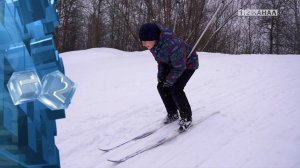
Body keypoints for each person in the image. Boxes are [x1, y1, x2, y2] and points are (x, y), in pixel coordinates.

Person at [139, 22, 199, 131]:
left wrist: (170, 81)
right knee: (161, 86)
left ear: (153, 37)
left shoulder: (173, 46)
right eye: (142, 41)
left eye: (145, 41)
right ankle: (172, 113)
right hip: (173, 64)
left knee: (176, 88)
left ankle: (186, 117)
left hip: (188, 64)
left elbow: (180, 67)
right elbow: (161, 62)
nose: (143, 44)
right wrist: (161, 77)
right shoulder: (154, 46)